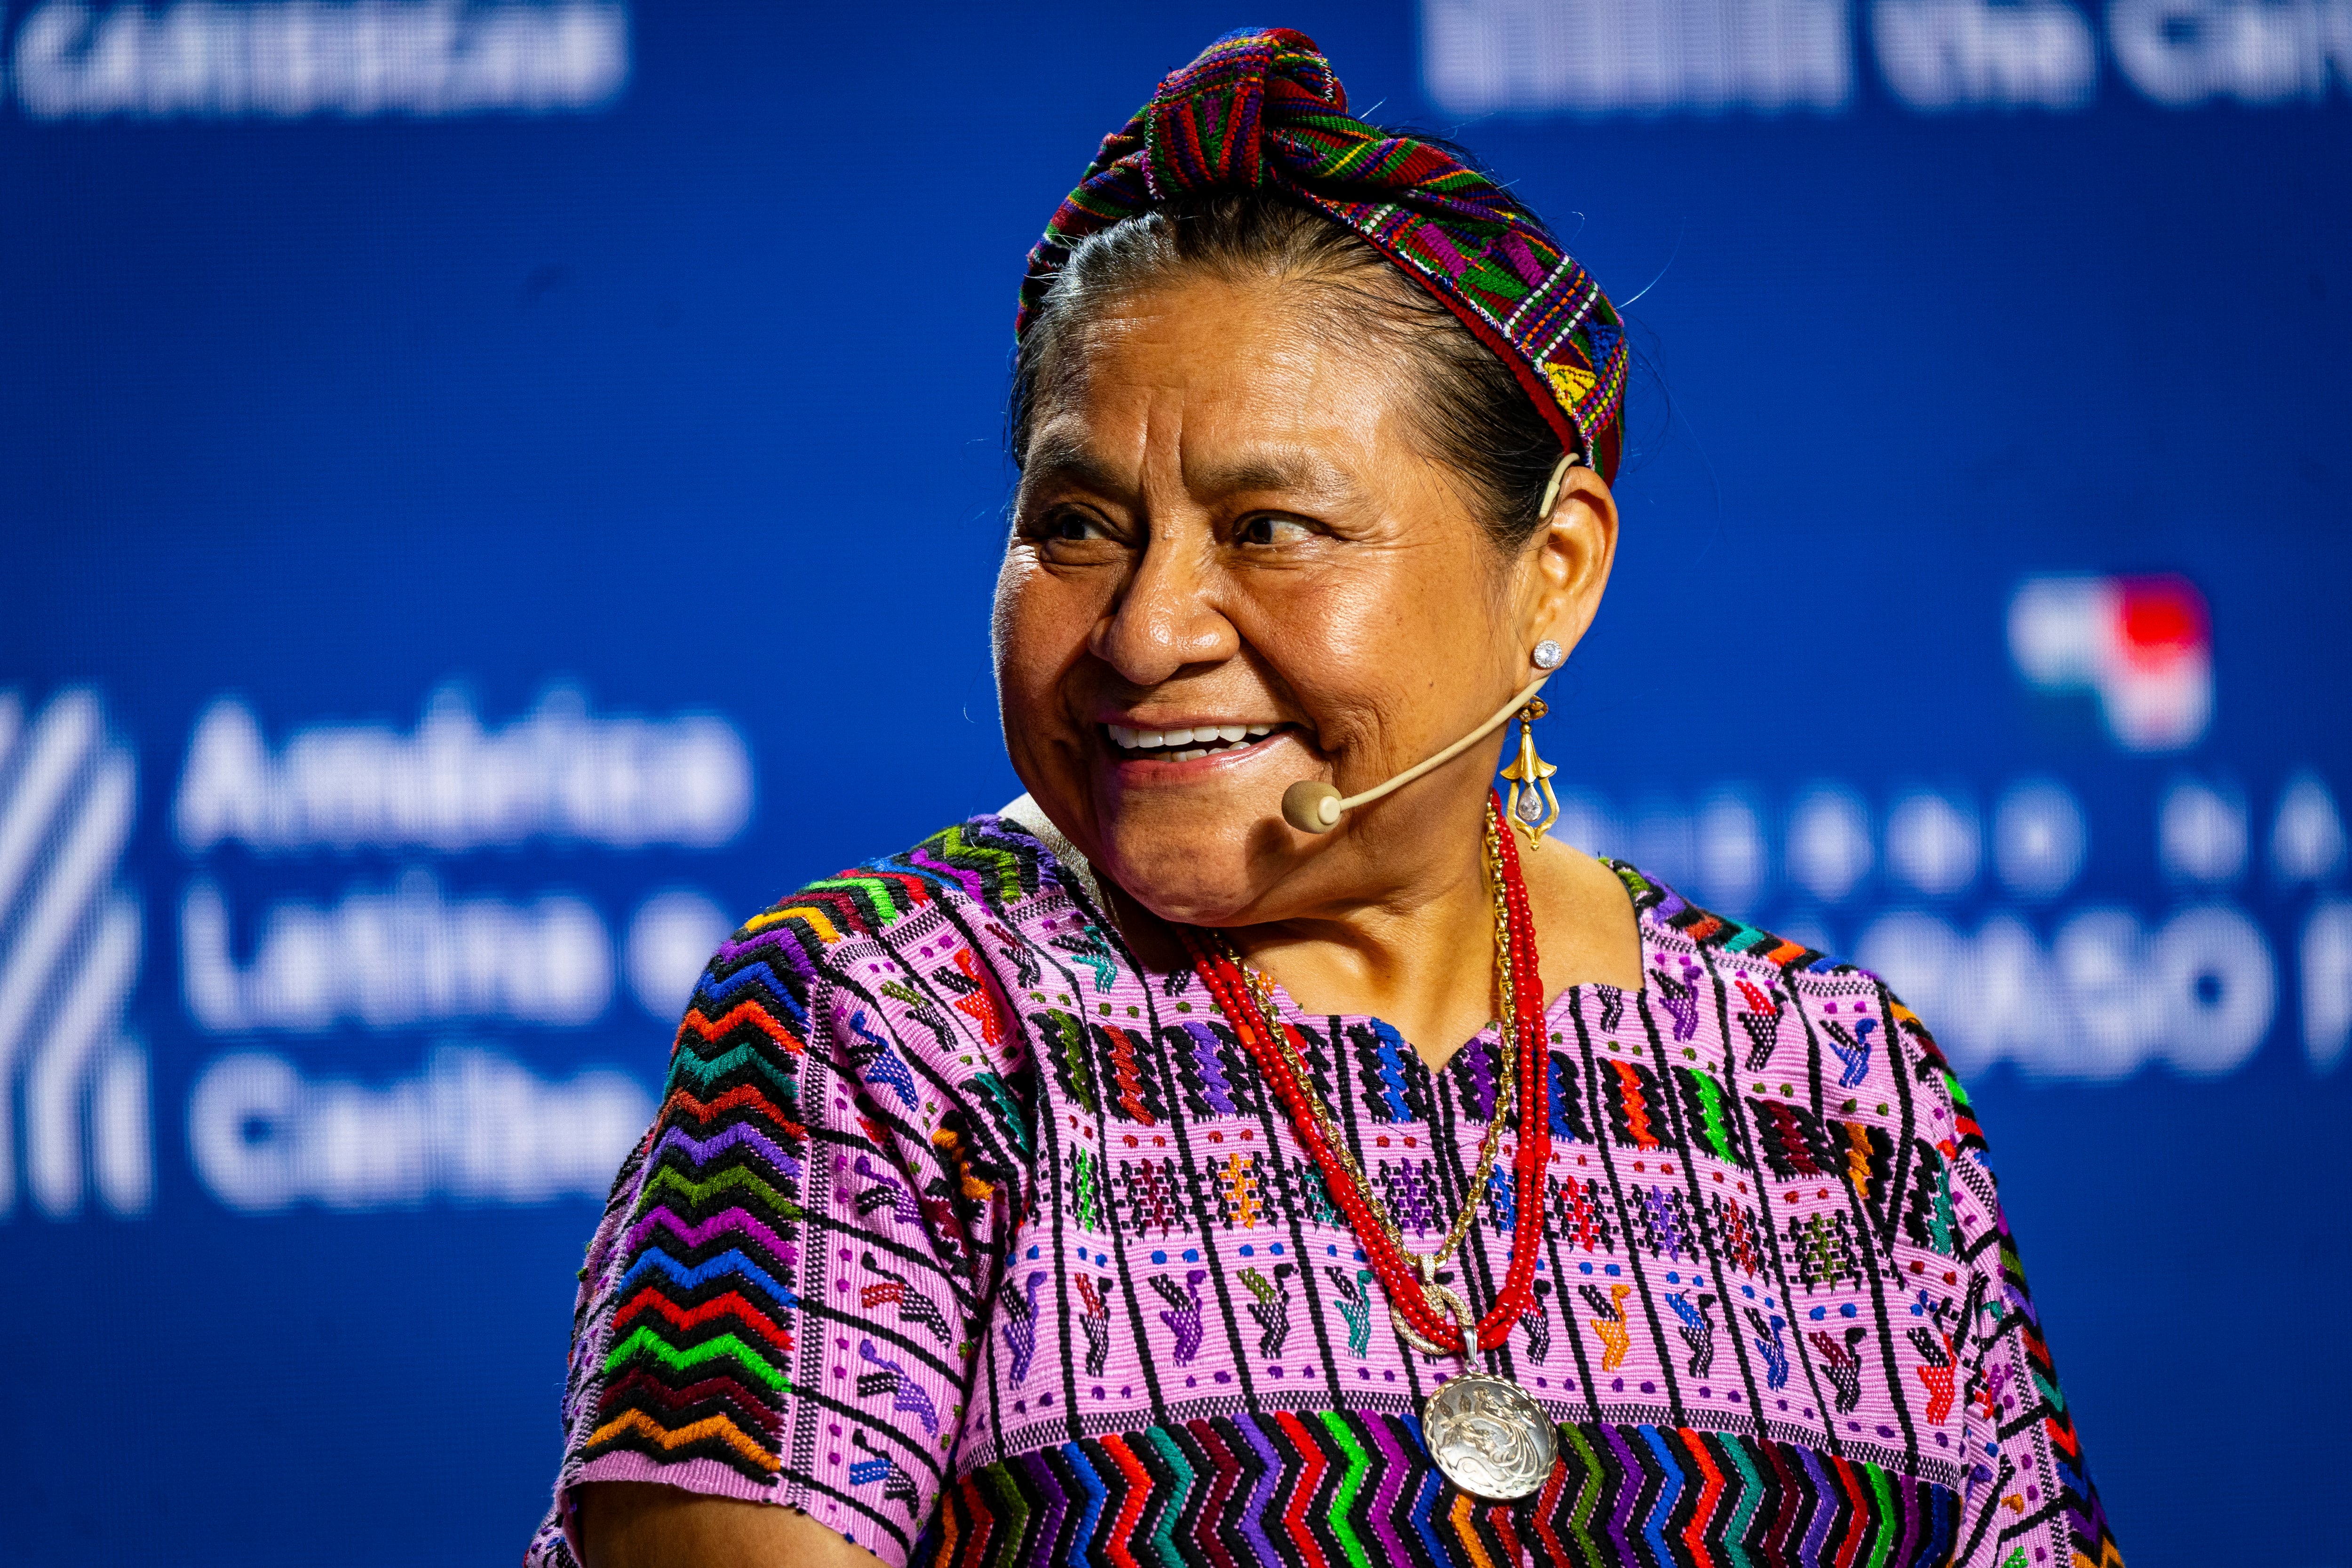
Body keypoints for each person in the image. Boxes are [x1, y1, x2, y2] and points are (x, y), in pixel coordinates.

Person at [526, 29, 2121, 1568]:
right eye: (1078, 523)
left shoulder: (1841, 1094)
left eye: (1274, 526)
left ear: (1550, 573)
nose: (1149, 631)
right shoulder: (883, 1027)